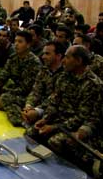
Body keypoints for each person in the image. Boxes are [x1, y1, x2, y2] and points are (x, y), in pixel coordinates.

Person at [29, 46, 101, 175]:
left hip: (78, 127)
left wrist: (53, 127)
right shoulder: (64, 76)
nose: (63, 61)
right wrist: (45, 119)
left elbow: (82, 117)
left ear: (78, 61)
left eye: (67, 57)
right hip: (60, 121)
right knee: (32, 132)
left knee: (56, 141)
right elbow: (54, 103)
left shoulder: (93, 84)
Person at [0, 31, 42, 127]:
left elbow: (26, 88)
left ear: (28, 45)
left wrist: (5, 93)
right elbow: (2, 78)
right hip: (15, 90)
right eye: (15, 41)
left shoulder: (34, 63)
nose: (16, 44)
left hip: (28, 96)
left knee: (6, 98)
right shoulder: (13, 58)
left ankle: (22, 120)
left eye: (20, 42)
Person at [22, 41, 66, 127]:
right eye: (43, 53)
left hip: (55, 109)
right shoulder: (44, 70)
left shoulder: (65, 74)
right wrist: (29, 106)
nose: (43, 57)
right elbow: (35, 91)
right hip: (40, 105)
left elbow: (56, 100)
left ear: (58, 56)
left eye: (47, 54)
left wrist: (37, 111)